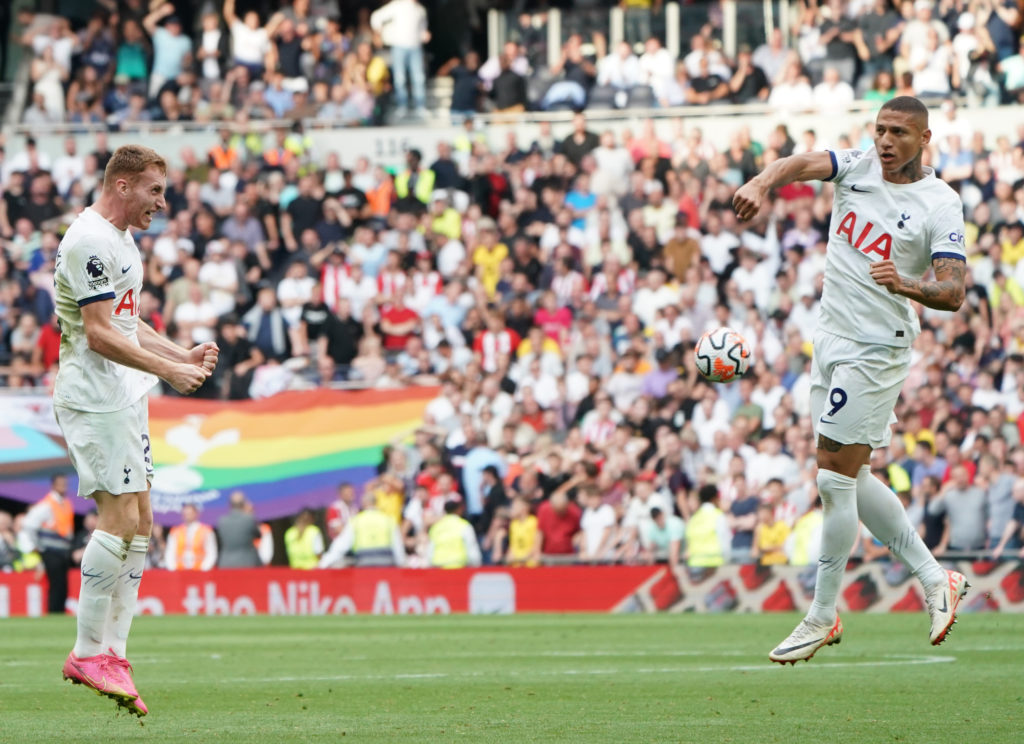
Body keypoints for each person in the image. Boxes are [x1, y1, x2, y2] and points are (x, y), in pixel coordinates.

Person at [733, 96, 969, 665]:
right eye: (881, 130)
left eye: (899, 134)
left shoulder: (941, 203)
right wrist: (763, 183)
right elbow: (798, 163)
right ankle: (937, 578)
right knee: (851, 476)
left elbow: (954, 291)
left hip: (876, 349)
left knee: (831, 480)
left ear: (925, 138)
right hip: (830, 339)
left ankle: (822, 615)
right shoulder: (858, 165)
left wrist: (907, 285)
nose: (886, 142)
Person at [53, 144, 217, 716]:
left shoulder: (121, 241)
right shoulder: (90, 241)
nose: (161, 203)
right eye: (153, 190)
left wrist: (181, 352)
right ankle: (85, 652)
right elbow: (99, 333)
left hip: (123, 394)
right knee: (119, 517)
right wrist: (170, 371)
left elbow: (127, 322)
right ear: (122, 185)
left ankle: (114, 653)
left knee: (143, 519)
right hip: (94, 399)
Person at [17, 474, 74, 613]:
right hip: (50, 551)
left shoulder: (65, 503)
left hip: (63, 551)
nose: (64, 487)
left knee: (63, 585)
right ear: (53, 486)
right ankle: (54, 611)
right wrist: (35, 546)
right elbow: (28, 525)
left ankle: (60, 612)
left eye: (65, 484)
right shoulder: (46, 505)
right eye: (60, 484)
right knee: (56, 584)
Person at [319, 492, 405, 567]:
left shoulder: (356, 521)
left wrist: (323, 564)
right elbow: (398, 547)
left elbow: (341, 546)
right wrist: (402, 564)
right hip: (386, 564)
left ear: (364, 504)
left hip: (364, 565)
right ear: (376, 503)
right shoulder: (388, 520)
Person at [427, 498, 482, 568]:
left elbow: (430, 550)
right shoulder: (464, 525)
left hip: (439, 568)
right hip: (459, 567)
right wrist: (476, 565)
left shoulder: (436, 527)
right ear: (458, 510)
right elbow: (471, 548)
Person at [164, 504, 218, 571]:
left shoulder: (206, 531)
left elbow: (211, 553)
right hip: (179, 571)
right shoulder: (175, 531)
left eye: (190, 513)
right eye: (185, 513)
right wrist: (172, 568)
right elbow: (170, 552)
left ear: (196, 514)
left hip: (200, 570)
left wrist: (204, 569)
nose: (187, 516)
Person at [215, 491, 261, 568]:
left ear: (230, 505)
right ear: (243, 504)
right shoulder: (249, 519)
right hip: (247, 562)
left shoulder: (221, 521)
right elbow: (258, 535)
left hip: (225, 563)